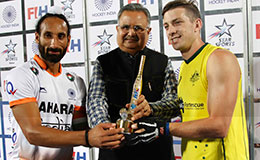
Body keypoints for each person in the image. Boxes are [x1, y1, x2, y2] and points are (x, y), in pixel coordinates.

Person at [133, 0, 249, 159]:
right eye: (166, 26)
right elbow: (185, 107)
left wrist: (163, 128)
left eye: (177, 23)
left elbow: (219, 126)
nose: (171, 31)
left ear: (197, 25)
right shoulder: (185, 68)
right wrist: (150, 109)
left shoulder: (219, 59)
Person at [4, 7, 124, 160]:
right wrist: (88, 137)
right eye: (48, 35)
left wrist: (112, 132)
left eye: (61, 36)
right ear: (37, 37)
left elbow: (81, 128)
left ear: (68, 40)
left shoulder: (75, 81)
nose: (54, 44)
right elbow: (32, 133)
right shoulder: (21, 75)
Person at [87, 3, 181, 160]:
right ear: (117, 29)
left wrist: (150, 109)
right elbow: (95, 104)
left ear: (148, 31)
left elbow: (174, 104)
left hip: (157, 151)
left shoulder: (163, 62)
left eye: (138, 28)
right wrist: (111, 131)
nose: (131, 33)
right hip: (115, 151)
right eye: (125, 27)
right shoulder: (103, 62)